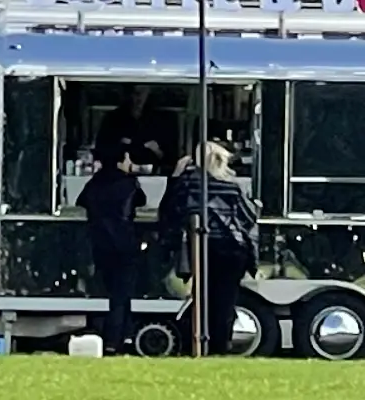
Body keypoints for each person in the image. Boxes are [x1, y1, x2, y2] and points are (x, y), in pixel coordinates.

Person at [158, 139, 261, 354]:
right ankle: (220, 346)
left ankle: (199, 343)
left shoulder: (189, 183)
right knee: (225, 301)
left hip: (205, 246)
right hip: (234, 250)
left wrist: (175, 175)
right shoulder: (233, 187)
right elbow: (249, 217)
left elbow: (169, 210)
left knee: (202, 299)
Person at [78, 141, 147, 353]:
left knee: (104, 290)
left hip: (99, 243)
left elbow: (81, 202)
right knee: (122, 294)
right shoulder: (129, 183)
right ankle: (116, 339)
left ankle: (104, 334)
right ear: (120, 161)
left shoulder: (95, 182)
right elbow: (141, 201)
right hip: (125, 243)